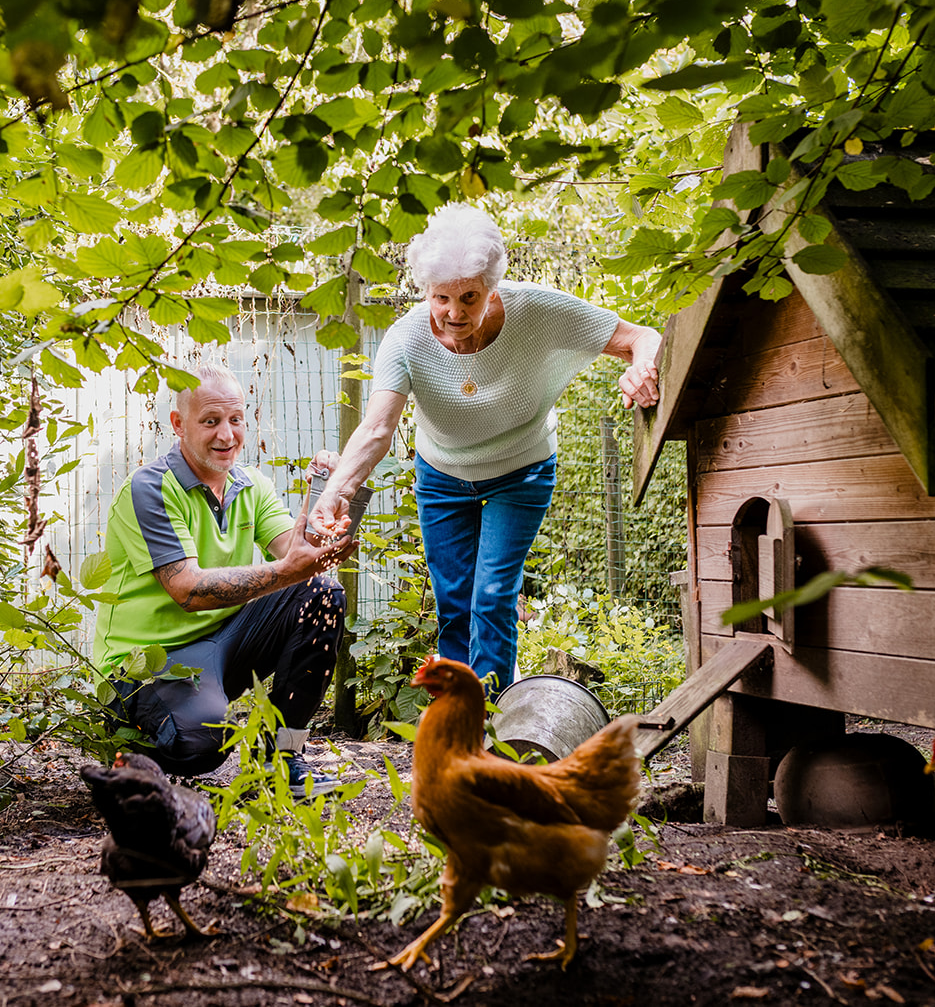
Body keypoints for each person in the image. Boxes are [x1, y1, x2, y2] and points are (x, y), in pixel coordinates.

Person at [307, 203, 662, 695]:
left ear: (490, 287)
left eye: (469, 297)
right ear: (426, 291)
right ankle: (456, 720)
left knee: (493, 596)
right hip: (442, 477)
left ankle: (493, 720)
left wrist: (641, 369)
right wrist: (336, 493)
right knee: (453, 602)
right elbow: (376, 429)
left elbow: (639, 337)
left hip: (522, 472)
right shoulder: (407, 339)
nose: (455, 313)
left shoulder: (536, 310)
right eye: (441, 298)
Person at [92, 363, 354, 796]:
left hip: (224, 644)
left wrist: (331, 497)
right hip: (146, 665)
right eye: (210, 421)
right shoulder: (149, 487)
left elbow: (299, 555)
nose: (226, 435)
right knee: (200, 746)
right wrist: (286, 571)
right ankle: (126, 745)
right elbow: (187, 589)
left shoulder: (250, 484)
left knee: (322, 593)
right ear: (179, 424)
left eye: (235, 420)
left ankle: (282, 760)